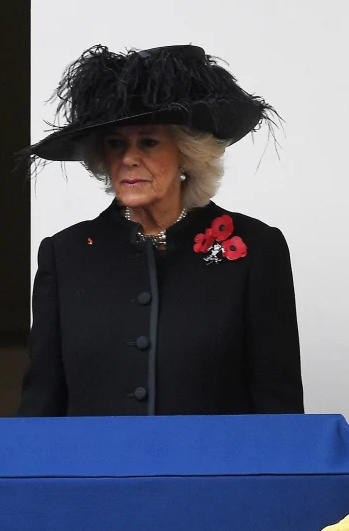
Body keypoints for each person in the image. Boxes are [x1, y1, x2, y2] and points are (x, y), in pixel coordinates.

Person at [18, 45, 303, 416]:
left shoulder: (256, 249)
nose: (128, 158)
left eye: (148, 142)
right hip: (96, 473)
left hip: (212, 472)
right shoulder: (66, 253)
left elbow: (278, 409)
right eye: (115, 144)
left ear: (186, 153)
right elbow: (42, 403)